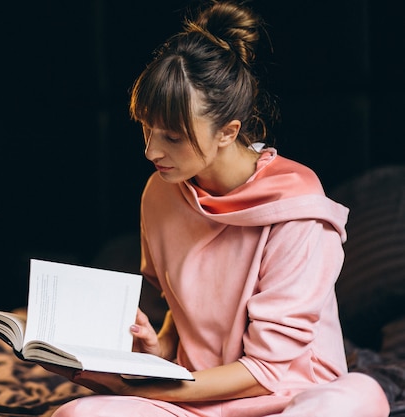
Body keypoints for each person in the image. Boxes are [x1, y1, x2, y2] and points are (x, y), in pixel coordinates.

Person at [47, 1, 391, 416]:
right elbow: (181, 303)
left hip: (286, 396)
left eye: (172, 136)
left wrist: (151, 391)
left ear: (228, 132)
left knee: (360, 395)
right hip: (196, 395)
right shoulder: (159, 191)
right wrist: (161, 348)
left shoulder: (297, 204)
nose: (150, 150)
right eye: (146, 128)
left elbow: (266, 368)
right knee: (78, 414)